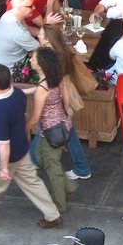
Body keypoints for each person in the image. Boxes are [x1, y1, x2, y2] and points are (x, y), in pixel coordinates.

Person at [0, 64, 62, 231]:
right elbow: (25, 92)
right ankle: (52, 215)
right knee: (33, 182)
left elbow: (3, 142)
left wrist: (4, 168)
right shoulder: (17, 95)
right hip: (22, 149)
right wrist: (37, 88)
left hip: (6, 156)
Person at [37, 26, 94, 181]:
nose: (39, 37)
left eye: (41, 35)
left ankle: (82, 167)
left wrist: (65, 106)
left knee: (61, 130)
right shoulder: (63, 51)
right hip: (64, 96)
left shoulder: (52, 58)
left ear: (48, 40)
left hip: (60, 99)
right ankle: (34, 159)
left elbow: (56, 85)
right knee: (66, 130)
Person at [26, 48, 74, 217]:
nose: (31, 60)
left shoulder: (42, 89)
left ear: (42, 64)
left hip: (49, 131)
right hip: (62, 125)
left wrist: (23, 129)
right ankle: (68, 186)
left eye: (34, 58)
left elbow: (35, 118)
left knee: (51, 166)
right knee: (41, 157)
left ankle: (59, 204)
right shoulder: (57, 78)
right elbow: (66, 102)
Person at [0, 0, 39, 72]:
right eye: (30, 6)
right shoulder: (18, 32)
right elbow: (40, 48)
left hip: (2, 65)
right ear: (19, 7)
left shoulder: (10, 15)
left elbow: (28, 28)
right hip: (8, 74)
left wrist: (45, 32)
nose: (34, 8)